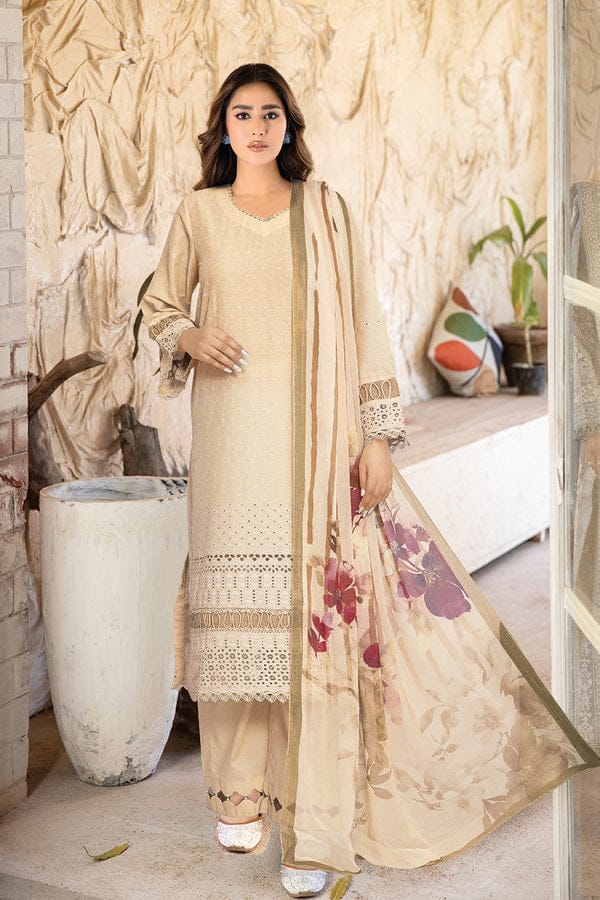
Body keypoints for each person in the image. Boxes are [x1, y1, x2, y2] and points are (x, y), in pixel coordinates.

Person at [140, 63, 600, 899]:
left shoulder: (327, 210)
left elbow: (367, 322)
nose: (256, 127)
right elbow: (159, 310)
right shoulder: (198, 214)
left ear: (289, 125)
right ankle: (241, 792)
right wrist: (192, 337)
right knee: (242, 630)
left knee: (315, 631)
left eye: (269, 114)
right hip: (233, 451)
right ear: (223, 127)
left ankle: (316, 826)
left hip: (322, 454)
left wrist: (379, 437)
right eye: (241, 114)